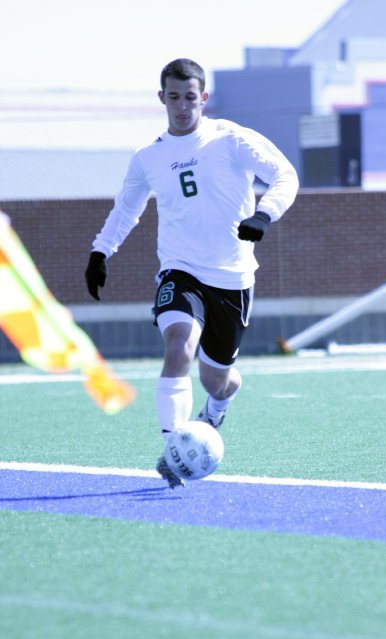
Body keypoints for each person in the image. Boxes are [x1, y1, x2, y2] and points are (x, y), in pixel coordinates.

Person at [85, 58, 299, 488]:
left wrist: (264, 215)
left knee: (215, 379)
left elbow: (284, 175)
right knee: (179, 347)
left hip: (233, 277)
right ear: (162, 98)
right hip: (180, 271)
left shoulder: (230, 138)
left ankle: (219, 406)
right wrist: (100, 251)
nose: (182, 106)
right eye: (174, 97)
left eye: (191, 97)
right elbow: (127, 208)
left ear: (203, 98)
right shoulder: (149, 157)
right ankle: (171, 450)